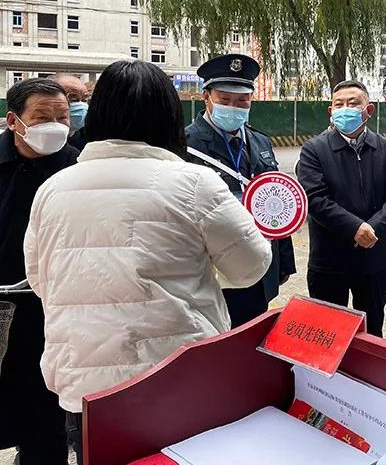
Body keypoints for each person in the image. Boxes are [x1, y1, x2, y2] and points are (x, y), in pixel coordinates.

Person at [24, 60, 272, 464]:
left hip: (85, 386)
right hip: (174, 382)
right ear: (169, 116)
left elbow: (39, 278)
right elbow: (251, 267)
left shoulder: (53, 188)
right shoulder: (194, 183)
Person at [186, 54, 296, 327]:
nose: (234, 107)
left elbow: (276, 202)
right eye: (225, 100)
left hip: (260, 264)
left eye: (242, 101)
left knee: (253, 335)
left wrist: (283, 261)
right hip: (213, 271)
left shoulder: (260, 142)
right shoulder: (186, 145)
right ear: (206, 98)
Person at [0, 78, 77, 464]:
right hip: (2, 302)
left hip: (51, 310)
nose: (55, 126)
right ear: (13, 121)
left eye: (62, 118)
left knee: (46, 414)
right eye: (43, 117)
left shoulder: (77, 168)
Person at [297, 80, 386, 337]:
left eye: (353, 103)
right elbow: (315, 199)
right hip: (329, 261)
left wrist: (373, 228)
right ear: (330, 111)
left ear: (368, 110)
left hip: (373, 258)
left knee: (371, 332)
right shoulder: (314, 150)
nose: (345, 109)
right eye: (339, 104)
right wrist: (355, 228)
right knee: (327, 334)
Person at [54, 73, 90, 151]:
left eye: (84, 100)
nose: (81, 105)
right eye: (73, 100)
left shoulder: (91, 138)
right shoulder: (40, 138)